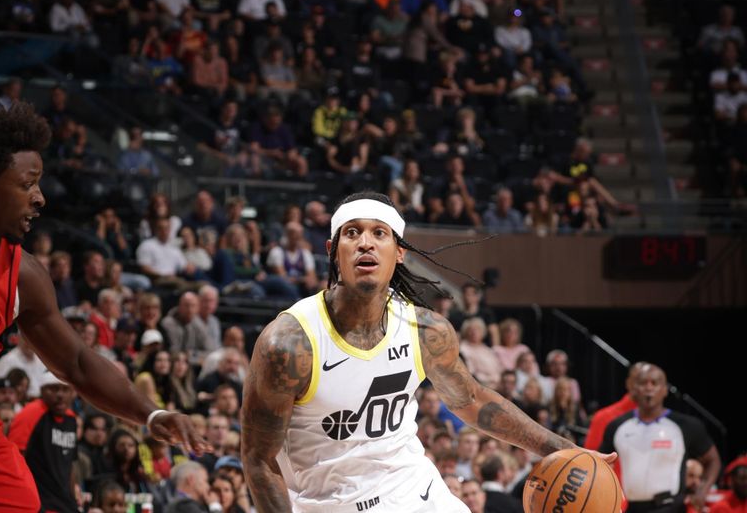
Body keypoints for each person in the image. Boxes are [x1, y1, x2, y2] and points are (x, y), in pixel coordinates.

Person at [240, 191, 614, 512]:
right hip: (330, 503)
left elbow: (472, 401)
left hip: (417, 494)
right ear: (333, 251)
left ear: (399, 252)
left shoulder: (425, 330)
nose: (365, 243)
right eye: (352, 233)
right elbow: (258, 458)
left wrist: (563, 449)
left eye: (379, 233)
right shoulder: (289, 343)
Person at [0, 103, 207, 511]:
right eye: (27, 184)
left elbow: (78, 365)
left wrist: (152, 416)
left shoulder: (22, 276)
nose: (40, 199)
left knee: (16, 499)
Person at [600, 363, 721, 513]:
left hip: (672, 507)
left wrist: (702, 490)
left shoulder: (686, 426)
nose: (649, 387)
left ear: (664, 390)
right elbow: (601, 465)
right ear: (633, 389)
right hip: (632, 508)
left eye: (655, 383)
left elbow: (713, 460)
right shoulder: (616, 426)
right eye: (643, 383)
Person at [7, 370, 78, 512]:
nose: (60, 395)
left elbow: (69, 463)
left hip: (64, 501)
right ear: (42, 390)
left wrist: (74, 495)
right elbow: (13, 459)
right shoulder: (30, 414)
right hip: (39, 501)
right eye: (53, 389)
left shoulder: (71, 419)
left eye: (65, 389)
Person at [583, 361, 645, 451]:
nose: (648, 387)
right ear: (628, 383)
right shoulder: (603, 418)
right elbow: (589, 459)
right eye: (640, 381)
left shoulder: (667, 422)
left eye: (653, 382)